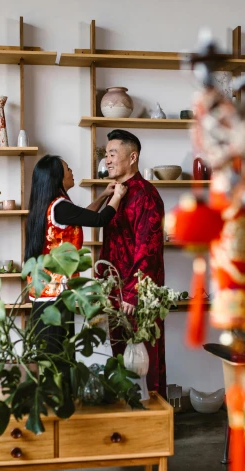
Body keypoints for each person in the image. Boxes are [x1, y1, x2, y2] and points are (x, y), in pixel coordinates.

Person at [25, 154, 127, 352]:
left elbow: (85, 216)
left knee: (52, 356)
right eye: (67, 168)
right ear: (57, 177)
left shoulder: (53, 205)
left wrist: (105, 195)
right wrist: (118, 196)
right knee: (58, 357)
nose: (71, 171)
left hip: (45, 294)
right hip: (55, 295)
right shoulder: (59, 206)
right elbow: (98, 220)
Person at [98, 129, 167, 395]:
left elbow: (147, 251)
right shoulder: (117, 194)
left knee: (145, 361)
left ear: (133, 157)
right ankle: (125, 422)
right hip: (115, 294)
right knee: (120, 360)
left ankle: (153, 424)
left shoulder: (146, 196)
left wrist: (132, 295)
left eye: (113, 154)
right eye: (106, 155)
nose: (108, 160)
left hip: (138, 297)